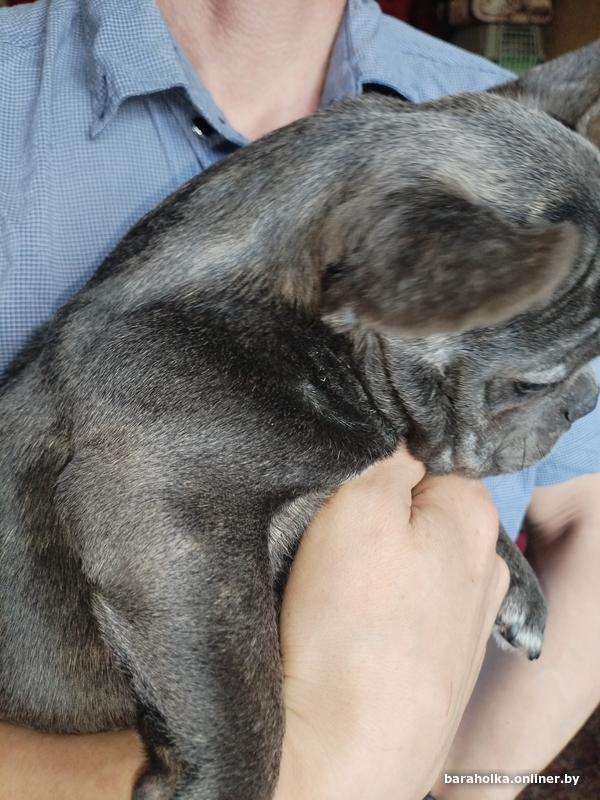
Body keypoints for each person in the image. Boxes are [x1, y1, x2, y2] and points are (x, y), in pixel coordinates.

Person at [0, 0, 599, 797]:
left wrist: (466, 783)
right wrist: (310, 777)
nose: (575, 401)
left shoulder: (518, 143)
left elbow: (586, 518)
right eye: (527, 385)